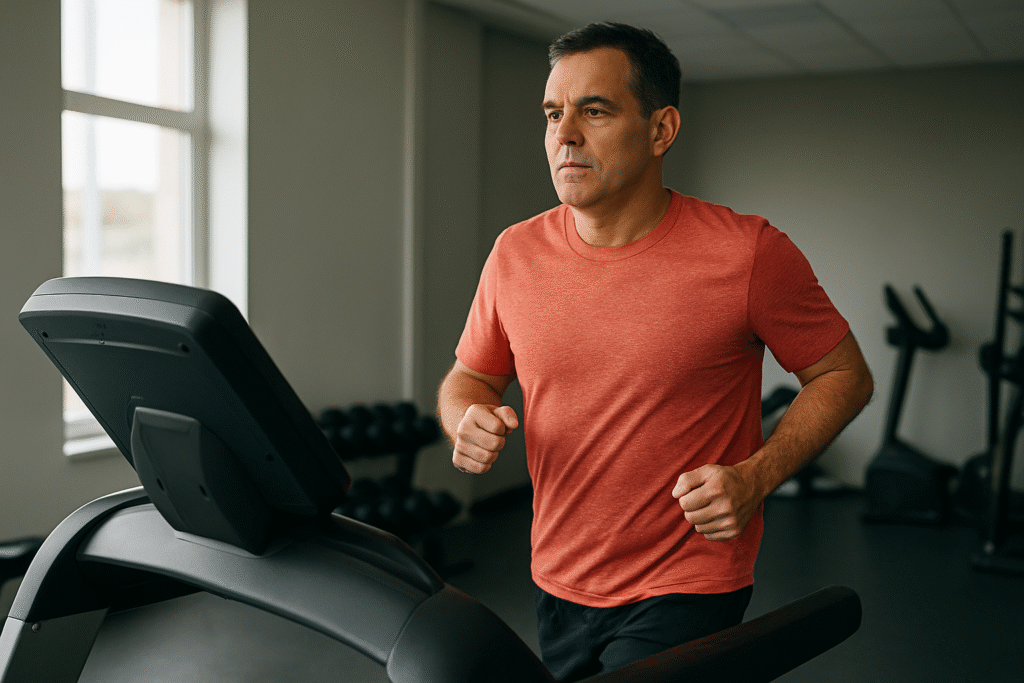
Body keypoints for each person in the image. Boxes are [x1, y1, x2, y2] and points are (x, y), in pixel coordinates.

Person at [436, 21, 873, 683]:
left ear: (661, 129)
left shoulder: (747, 252)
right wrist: (463, 418)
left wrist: (755, 477)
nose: (564, 134)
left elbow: (844, 374)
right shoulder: (513, 254)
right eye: (554, 113)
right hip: (560, 577)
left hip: (688, 580)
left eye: (595, 110)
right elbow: (469, 378)